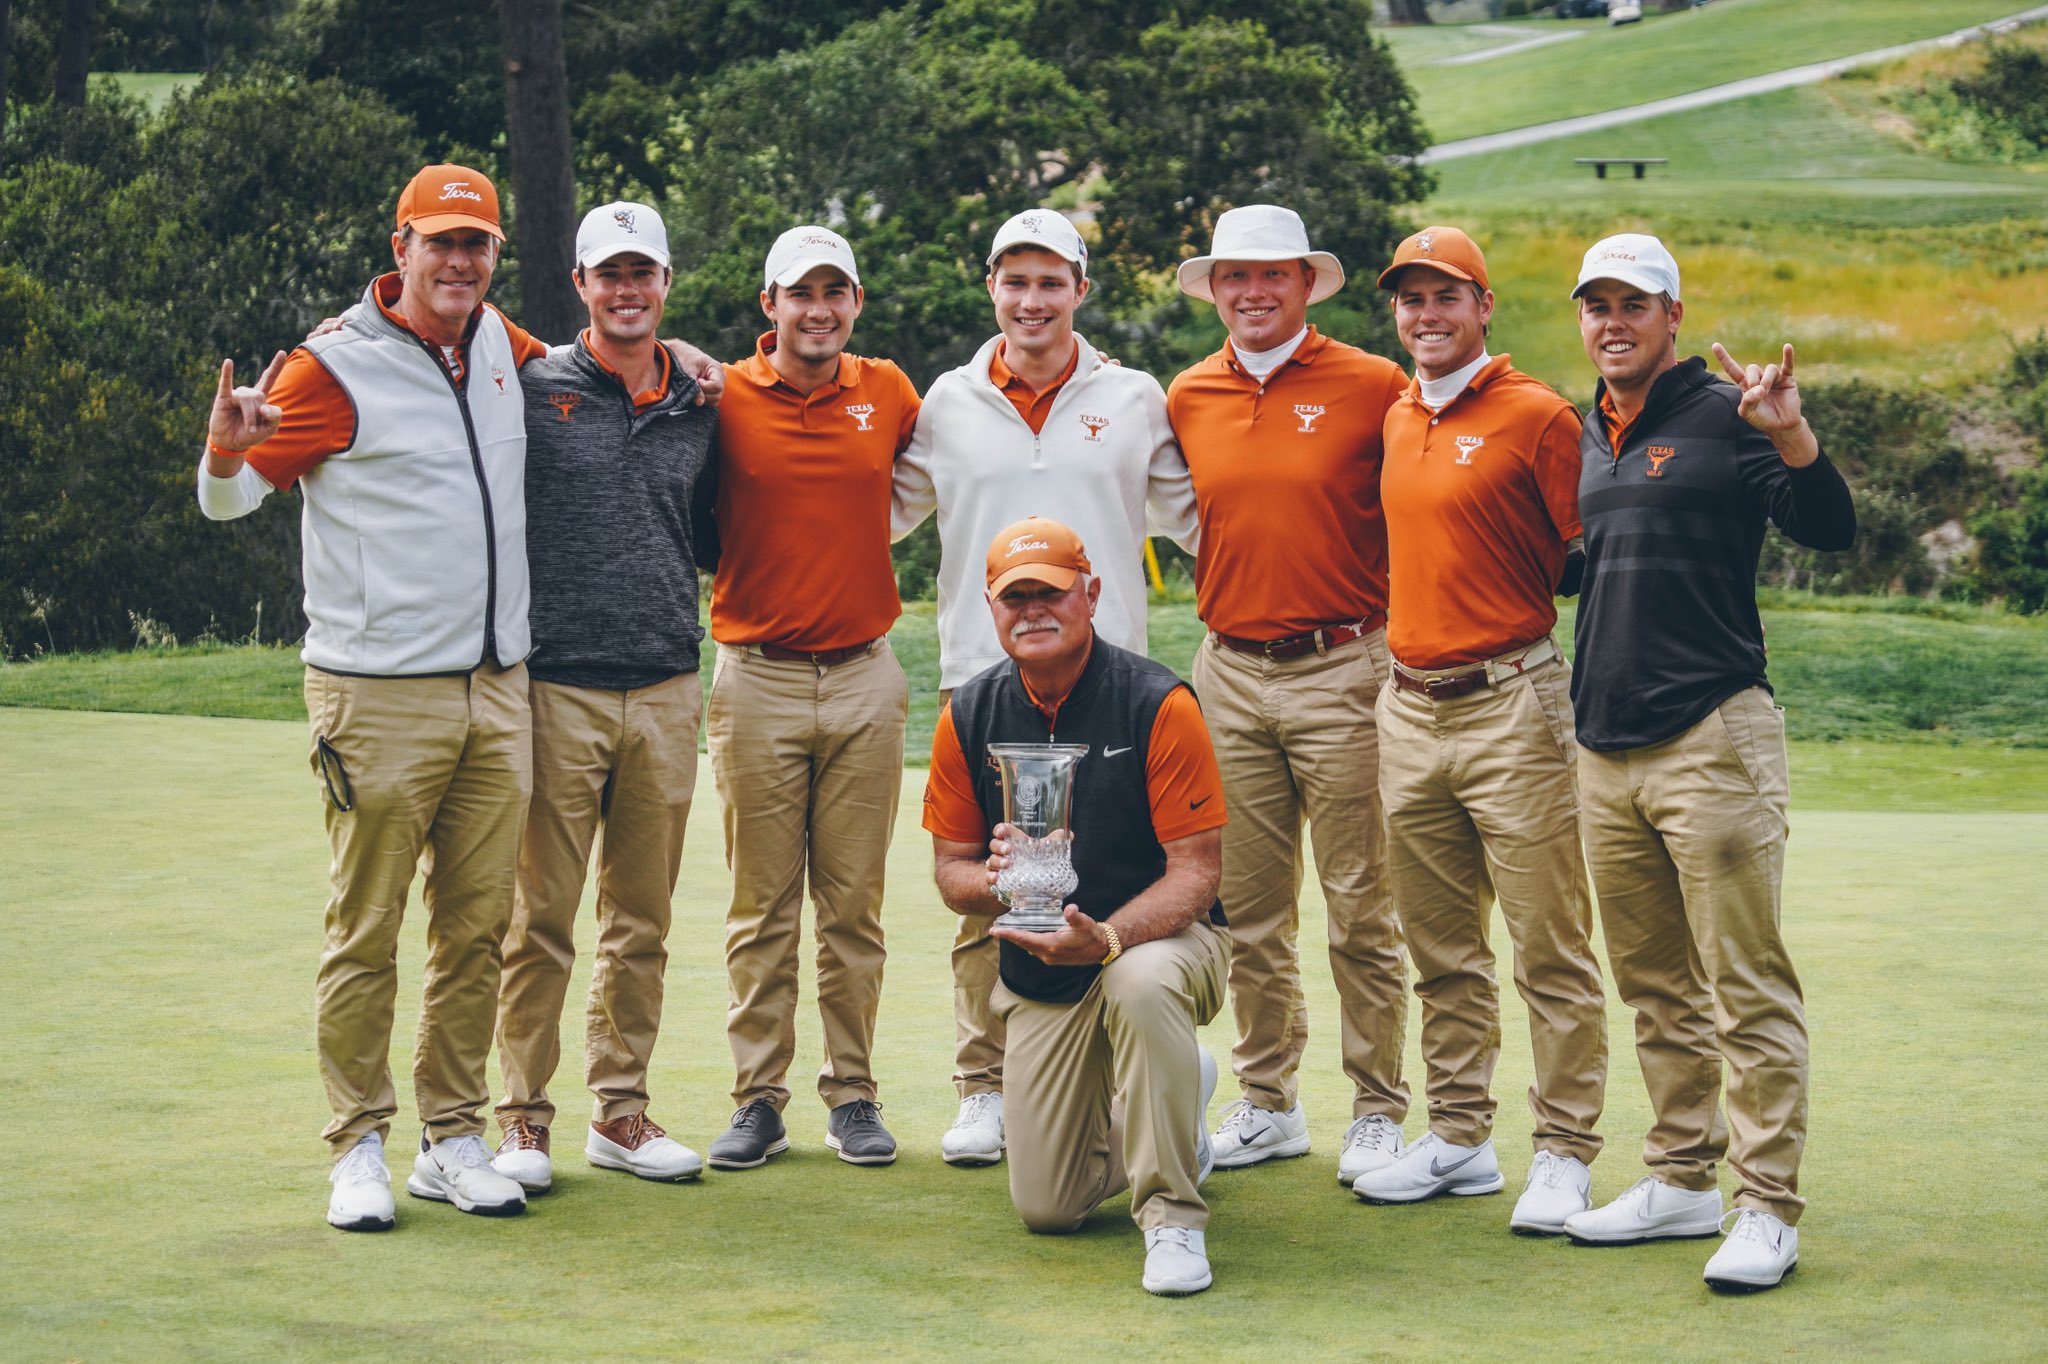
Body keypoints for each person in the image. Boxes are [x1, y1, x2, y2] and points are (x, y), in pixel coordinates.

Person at [197, 164, 544, 1230]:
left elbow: (590, 367)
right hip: (376, 693)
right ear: (399, 248)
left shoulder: (499, 343)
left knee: (478, 927)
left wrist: (686, 363)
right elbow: (228, 500)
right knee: (369, 926)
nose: (458, 261)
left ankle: (452, 1133)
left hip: (498, 687)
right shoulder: (328, 368)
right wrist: (225, 442)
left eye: (475, 243)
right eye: (439, 242)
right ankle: (357, 1142)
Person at [1557, 234, 1854, 1291]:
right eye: (1595, 305)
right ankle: (1681, 1175)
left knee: (1744, 982)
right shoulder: (1586, 431)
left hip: (1709, 733)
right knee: (1651, 982)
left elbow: (1828, 530)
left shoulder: (1725, 415)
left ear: (1670, 316)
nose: (1611, 321)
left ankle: (1765, 1203)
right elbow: (1572, 564)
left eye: (1631, 304)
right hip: (1602, 742)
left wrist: (1791, 435)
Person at [892, 208, 1198, 1166]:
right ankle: (983, 1084)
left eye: (1051, 281)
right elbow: (868, 512)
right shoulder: (944, 402)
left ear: (1081, 290)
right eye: (1015, 281)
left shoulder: (1136, 396)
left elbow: (1209, 519)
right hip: (979, 687)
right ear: (992, 288)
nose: (1033, 300)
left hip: (1117, 696)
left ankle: (1154, 1065)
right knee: (990, 881)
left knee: (1114, 880)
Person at [1352, 226, 1609, 1238]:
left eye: (1444, 296)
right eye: (1410, 298)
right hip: (1406, 703)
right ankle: (1458, 1136)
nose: (1425, 314)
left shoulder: (1537, 414)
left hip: (1511, 700)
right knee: (1439, 942)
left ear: (1481, 305)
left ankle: (1564, 1149)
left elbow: (1586, 555)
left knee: (1547, 941)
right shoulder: (1397, 411)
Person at [1163, 204, 1414, 1185]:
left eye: (1272, 275)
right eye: (1234, 276)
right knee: (1248, 906)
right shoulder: (1188, 392)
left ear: (1305, 284)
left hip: (1346, 664)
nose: (1252, 292)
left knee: (1360, 902)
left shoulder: (1371, 383)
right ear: (1214, 289)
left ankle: (1378, 1105)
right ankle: (1266, 1098)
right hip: (1226, 670)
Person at [923, 518, 1231, 1296]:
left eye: (1050, 593)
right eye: (1013, 596)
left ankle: (1171, 1220)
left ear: (1089, 595)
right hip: (1043, 960)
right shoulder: (968, 713)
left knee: (1140, 980)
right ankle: (1176, 1088)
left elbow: (1197, 875)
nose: (1033, 610)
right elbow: (949, 872)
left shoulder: (1159, 701)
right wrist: (996, 881)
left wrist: (1110, 938)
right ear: (991, 611)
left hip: (1160, 942)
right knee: (1049, 1206)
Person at [487, 202, 718, 1195]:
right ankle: (520, 1118)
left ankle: (619, 1109)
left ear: (666, 283)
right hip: (557, 686)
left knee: (641, 919)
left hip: (666, 683)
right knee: (538, 918)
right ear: (578, 285)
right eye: (606, 274)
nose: (626, 291)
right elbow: (438, 339)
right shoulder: (532, 386)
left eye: (643, 273)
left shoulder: (704, 399)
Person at [702, 226, 920, 1169]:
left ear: (856, 304)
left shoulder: (889, 391)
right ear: (770, 308)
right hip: (757, 678)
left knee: (852, 905)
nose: (819, 309)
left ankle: (855, 1093)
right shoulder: (718, 393)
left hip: (866, 674)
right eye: (801, 294)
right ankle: (757, 1097)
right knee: (760, 905)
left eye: (836, 292)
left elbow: (991, 407)